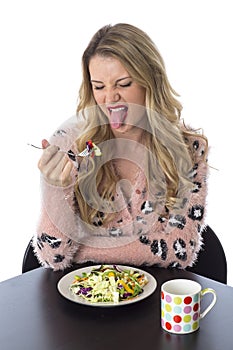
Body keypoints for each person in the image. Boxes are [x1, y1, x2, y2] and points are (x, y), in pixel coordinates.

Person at [32, 23, 208, 271]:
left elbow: (177, 251)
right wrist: (55, 189)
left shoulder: (188, 150)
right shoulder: (79, 148)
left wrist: (84, 248)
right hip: (87, 300)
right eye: (99, 87)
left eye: (123, 84)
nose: (110, 98)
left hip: (154, 302)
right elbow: (53, 254)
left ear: (150, 82)